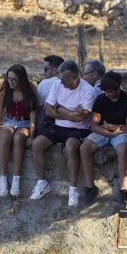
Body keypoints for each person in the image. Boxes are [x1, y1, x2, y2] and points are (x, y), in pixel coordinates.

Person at [30, 60, 96, 207]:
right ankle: (42, 182)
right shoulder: (57, 84)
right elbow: (48, 110)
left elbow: (81, 118)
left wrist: (59, 108)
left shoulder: (88, 91)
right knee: (37, 144)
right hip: (58, 125)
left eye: (64, 79)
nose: (61, 82)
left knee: (71, 147)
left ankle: (73, 189)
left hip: (79, 129)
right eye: (60, 78)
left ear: (75, 78)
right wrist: (69, 113)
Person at [79, 71, 127, 208]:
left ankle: (123, 190)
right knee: (84, 148)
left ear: (118, 88)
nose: (108, 94)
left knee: (123, 149)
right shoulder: (101, 99)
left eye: (110, 91)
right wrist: (109, 132)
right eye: (106, 92)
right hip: (104, 132)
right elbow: (94, 124)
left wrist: (111, 127)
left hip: (121, 132)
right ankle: (90, 187)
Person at [0, 64, 39, 197]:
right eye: (9, 79)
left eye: (14, 80)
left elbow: (33, 113)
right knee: (5, 138)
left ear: (21, 80)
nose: (11, 82)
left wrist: (31, 134)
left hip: (24, 121)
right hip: (8, 120)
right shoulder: (5, 90)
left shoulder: (30, 90)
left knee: (19, 138)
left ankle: (16, 178)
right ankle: (3, 177)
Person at [36, 54, 64, 128]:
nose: (43, 72)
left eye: (46, 69)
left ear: (55, 71)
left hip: (49, 122)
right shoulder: (72, 83)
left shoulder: (44, 83)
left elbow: (39, 106)